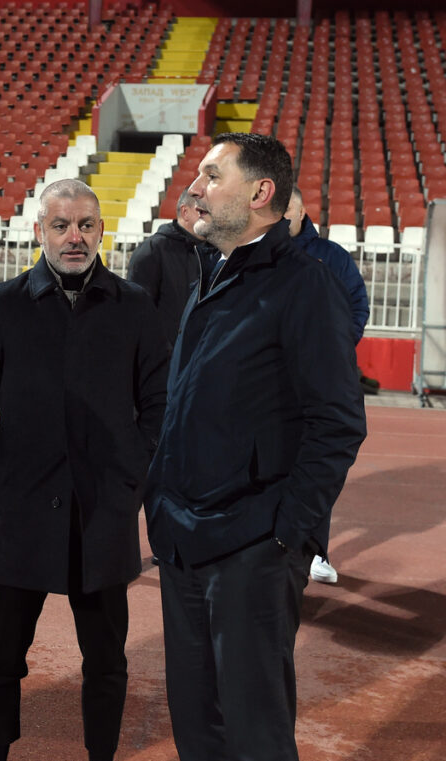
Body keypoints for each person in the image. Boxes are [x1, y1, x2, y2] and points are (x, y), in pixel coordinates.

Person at [144, 133, 367, 761]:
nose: (196, 188)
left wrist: (288, 533)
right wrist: (160, 499)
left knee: (253, 734)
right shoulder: (211, 273)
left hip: (252, 544)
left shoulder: (305, 283)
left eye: (213, 175)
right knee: (198, 728)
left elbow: (338, 422)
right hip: (184, 538)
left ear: (262, 193)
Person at [0, 178, 170, 761]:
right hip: (22, 513)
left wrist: (130, 476)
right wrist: (2, 473)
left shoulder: (134, 307)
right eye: (61, 225)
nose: (75, 237)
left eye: (86, 225)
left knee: (106, 660)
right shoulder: (4, 304)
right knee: (0, 654)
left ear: (102, 230)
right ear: (40, 230)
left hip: (104, 515)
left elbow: (161, 403)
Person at [284, 185, 372, 584]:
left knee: (319, 465)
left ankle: (316, 549)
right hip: (277, 382)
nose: (284, 217)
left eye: (291, 210)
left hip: (323, 380)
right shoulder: (261, 255)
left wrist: (334, 350)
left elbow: (358, 305)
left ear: (303, 212)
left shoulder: (332, 256)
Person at [127, 186, 218, 344]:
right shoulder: (151, 251)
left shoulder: (217, 251)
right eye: (202, 211)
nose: (209, 217)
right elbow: (136, 315)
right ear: (185, 212)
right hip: (165, 360)